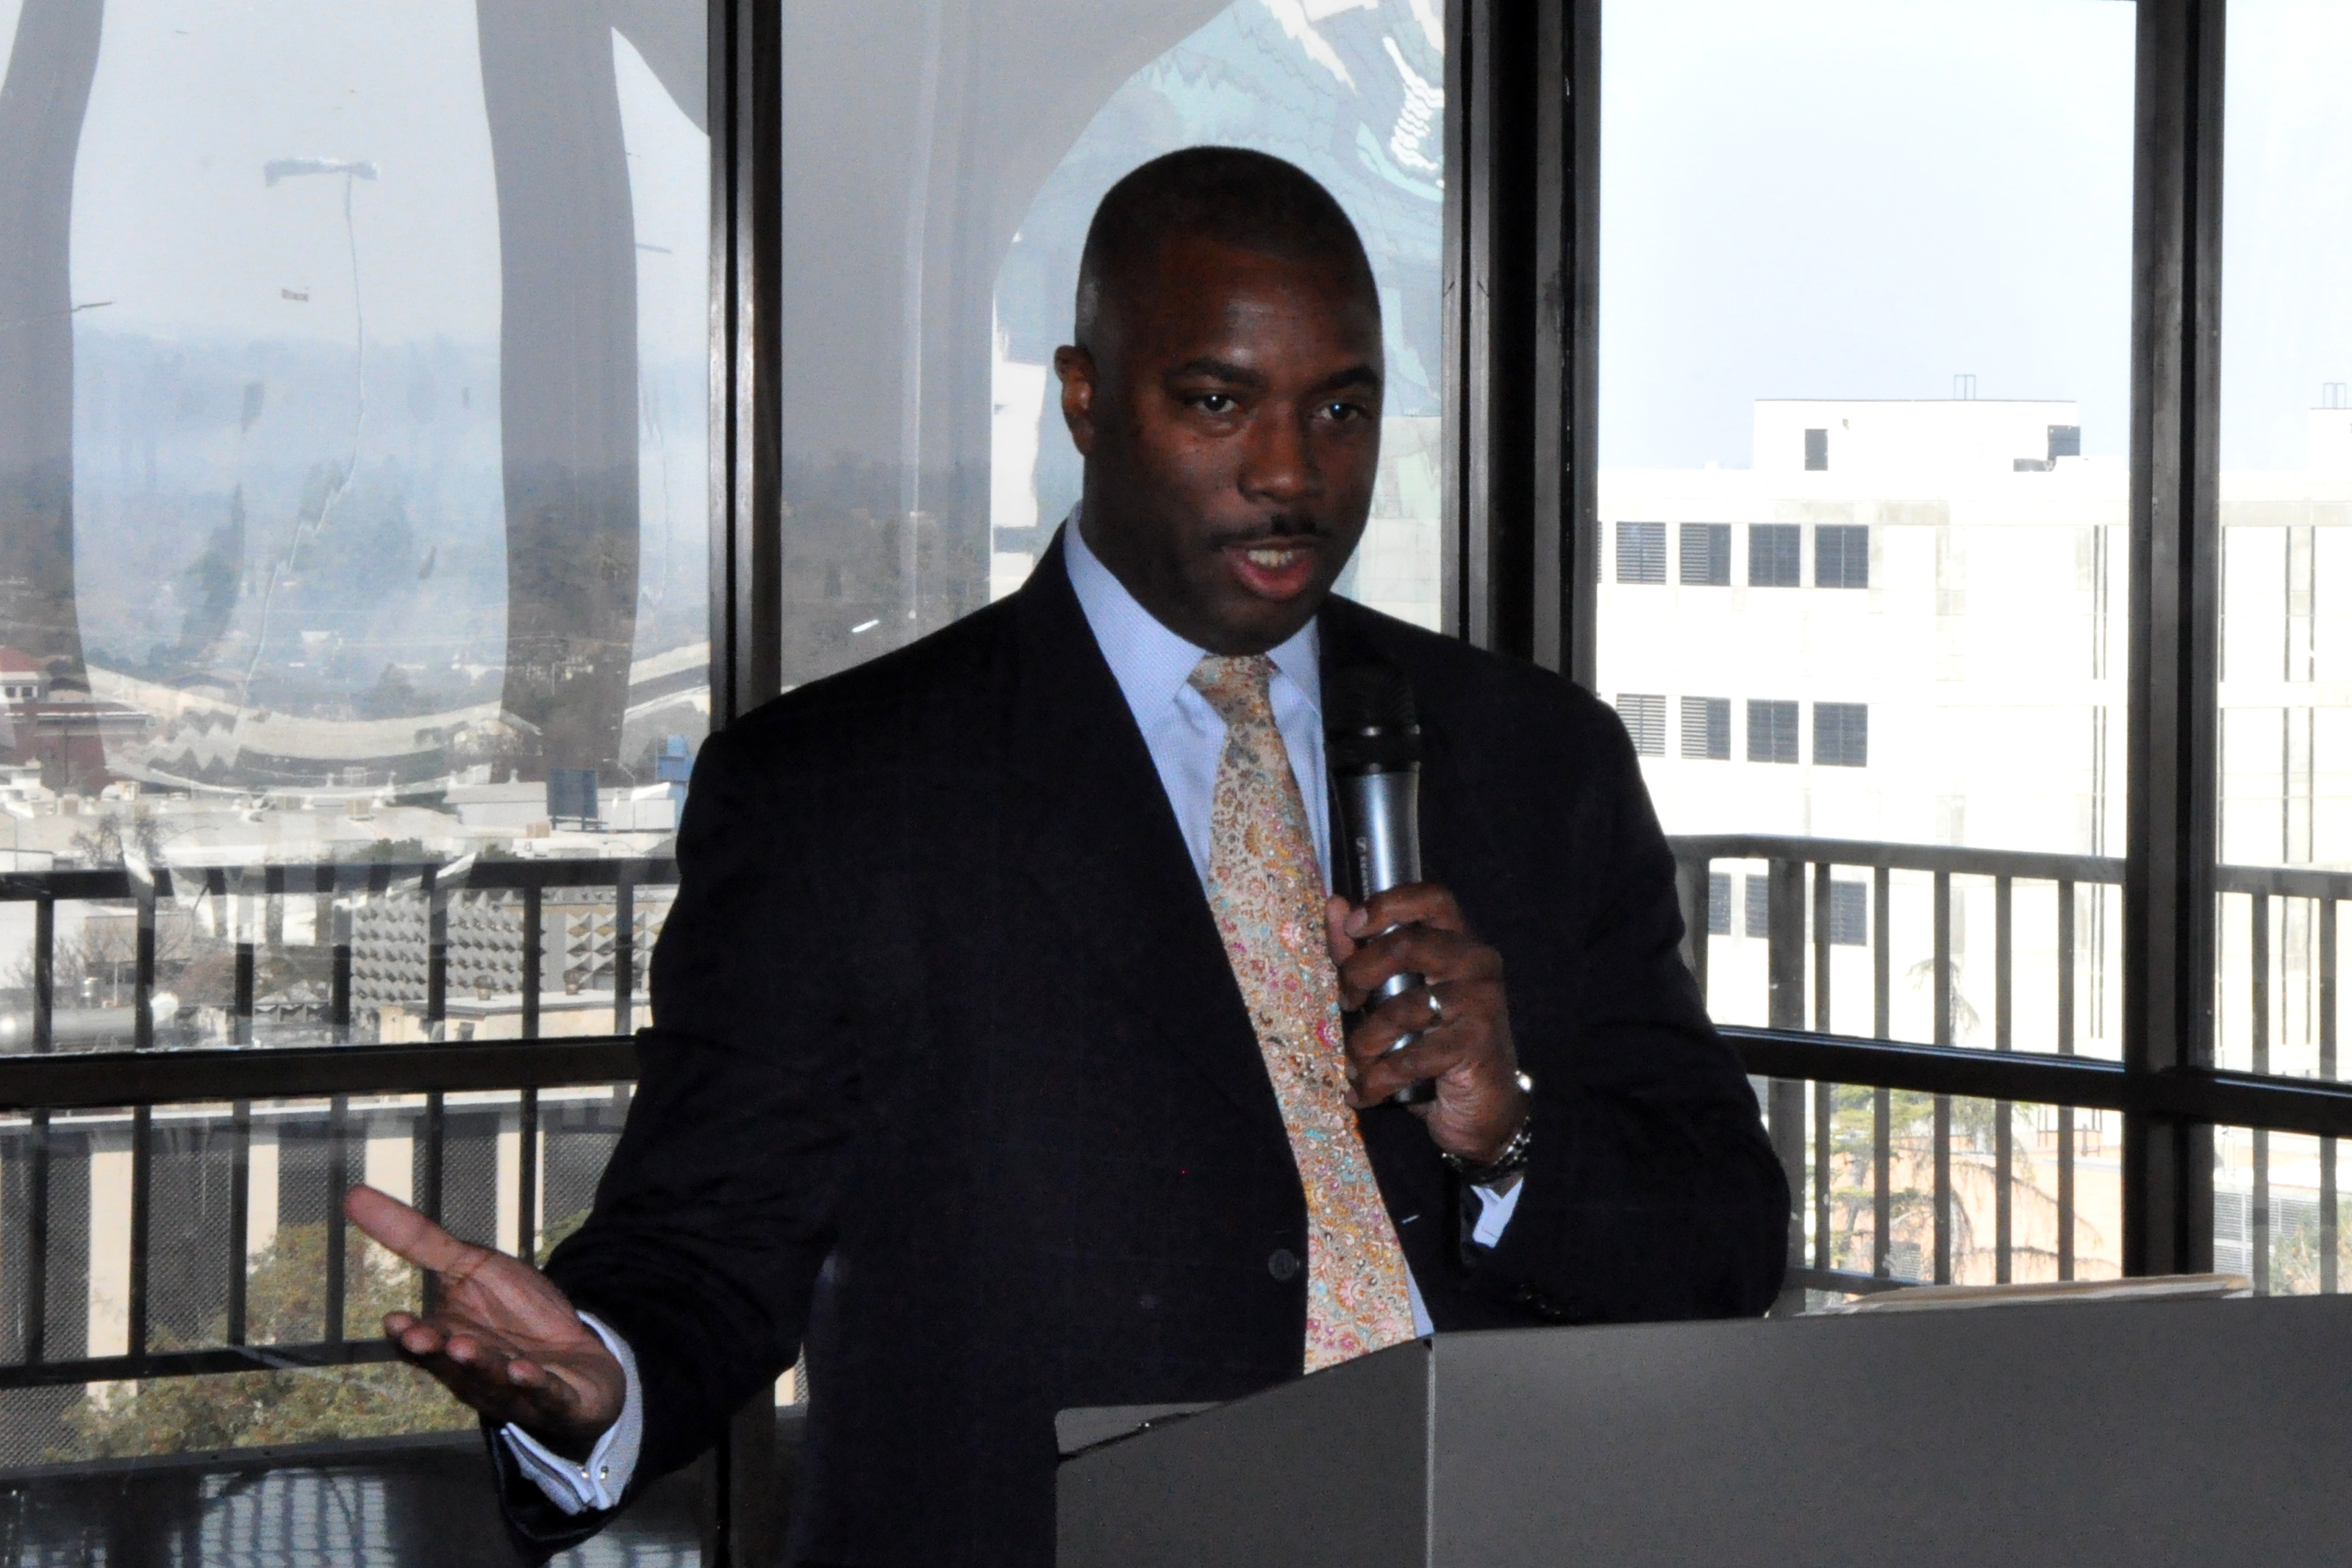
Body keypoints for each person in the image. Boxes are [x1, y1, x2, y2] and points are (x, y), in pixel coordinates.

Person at [345, 146, 1790, 1567]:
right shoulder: (841, 791)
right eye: (1217, 401)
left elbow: (1725, 1239)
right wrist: (600, 1374)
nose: (1291, 471)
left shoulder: (1540, 759)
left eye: (1341, 408)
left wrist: (1511, 1132)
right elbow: (712, 1234)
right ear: (1084, 399)